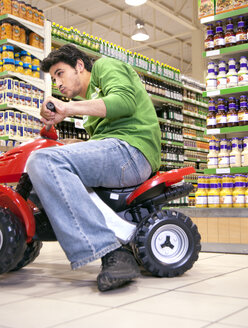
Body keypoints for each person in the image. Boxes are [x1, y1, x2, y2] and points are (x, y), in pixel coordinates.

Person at [26, 44, 161, 291]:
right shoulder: (90, 105)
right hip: (119, 151)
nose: (58, 83)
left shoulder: (104, 67)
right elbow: (99, 146)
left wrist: (67, 108)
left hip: (132, 150)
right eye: (54, 78)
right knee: (46, 159)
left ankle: (110, 251)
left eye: (60, 73)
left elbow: (124, 102)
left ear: (79, 65)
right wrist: (63, 144)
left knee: (42, 161)